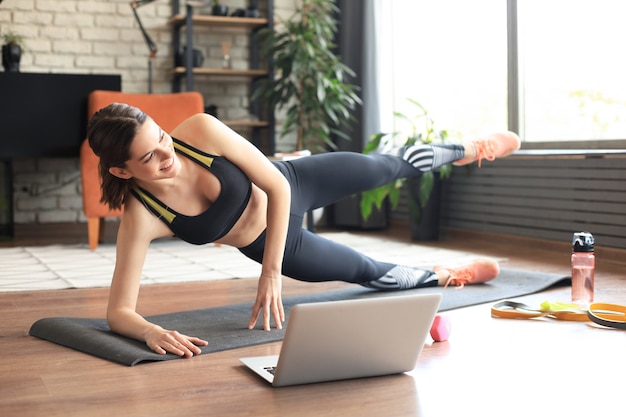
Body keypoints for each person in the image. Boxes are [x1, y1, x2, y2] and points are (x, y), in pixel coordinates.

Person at [87, 103, 520, 358]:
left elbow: (274, 185)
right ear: (122, 170)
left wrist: (271, 274)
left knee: (383, 166)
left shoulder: (198, 131)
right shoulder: (142, 215)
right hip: (275, 243)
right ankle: (447, 274)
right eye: (150, 157)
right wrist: (150, 331)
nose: (167, 154)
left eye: (162, 136)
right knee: (369, 273)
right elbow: (118, 311)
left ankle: (470, 149)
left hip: (292, 182)